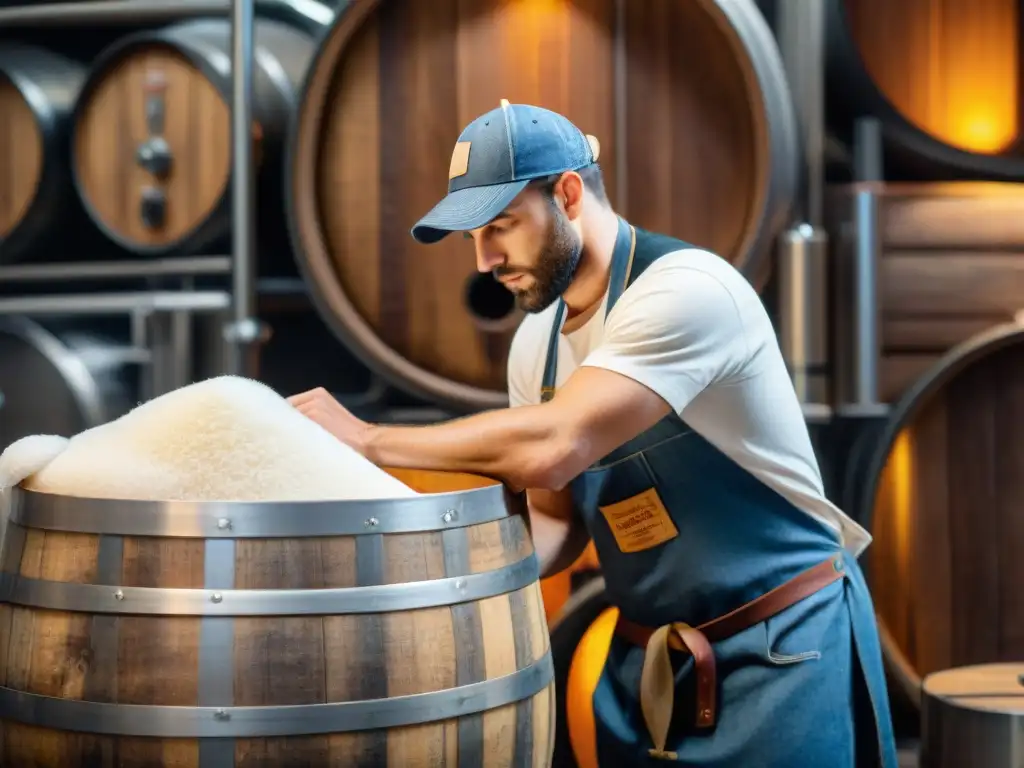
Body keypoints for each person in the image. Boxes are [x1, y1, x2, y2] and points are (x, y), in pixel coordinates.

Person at [289, 101, 898, 767]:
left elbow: (554, 448)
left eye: (501, 226)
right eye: (473, 238)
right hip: (651, 669)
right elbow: (557, 517)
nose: (485, 260)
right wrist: (448, 592)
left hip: (778, 654)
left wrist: (369, 440)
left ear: (569, 193)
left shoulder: (688, 291)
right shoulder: (534, 345)